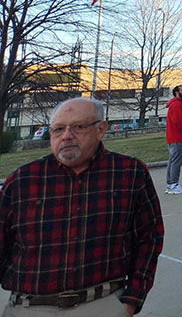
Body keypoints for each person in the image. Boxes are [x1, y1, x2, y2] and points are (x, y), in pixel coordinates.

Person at [0, 97, 164, 315]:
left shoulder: (130, 174)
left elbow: (150, 238)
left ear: (100, 129)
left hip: (102, 304)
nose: (66, 136)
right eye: (58, 129)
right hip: (30, 308)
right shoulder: (22, 181)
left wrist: (131, 301)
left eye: (78, 127)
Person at [165, 84, 182, 194]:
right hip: (177, 137)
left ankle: (170, 184)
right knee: (176, 161)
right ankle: (174, 184)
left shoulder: (175, 104)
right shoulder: (177, 105)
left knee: (172, 160)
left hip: (173, 137)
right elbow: (178, 122)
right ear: (176, 92)